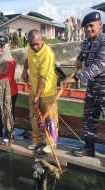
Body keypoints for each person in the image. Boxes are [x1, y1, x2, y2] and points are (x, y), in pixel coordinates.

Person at [65, 12, 105, 157]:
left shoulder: (104, 41)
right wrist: (79, 59)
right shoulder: (86, 41)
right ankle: (89, 148)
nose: (88, 29)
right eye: (85, 27)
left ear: (100, 25)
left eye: (91, 25)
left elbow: (99, 65)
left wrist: (78, 78)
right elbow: (84, 54)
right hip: (92, 88)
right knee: (89, 119)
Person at [22, 29, 58, 154]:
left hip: (47, 91)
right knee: (34, 116)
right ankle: (37, 140)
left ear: (41, 40)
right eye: (31, 45)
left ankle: (51, 143)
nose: (34, 47)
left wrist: (37, 96)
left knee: (49, 118)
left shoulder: (47, 54)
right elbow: (27, 59)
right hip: (33, 89)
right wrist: (24, 70)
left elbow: (42, 78)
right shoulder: (30, 49)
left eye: (36, 44)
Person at [0, 36, 18, 145]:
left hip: (9, 92)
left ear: (6, 47)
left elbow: (8, 79)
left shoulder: (10, 61)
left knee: (8, 113)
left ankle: (9, 135)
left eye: (2, 46)